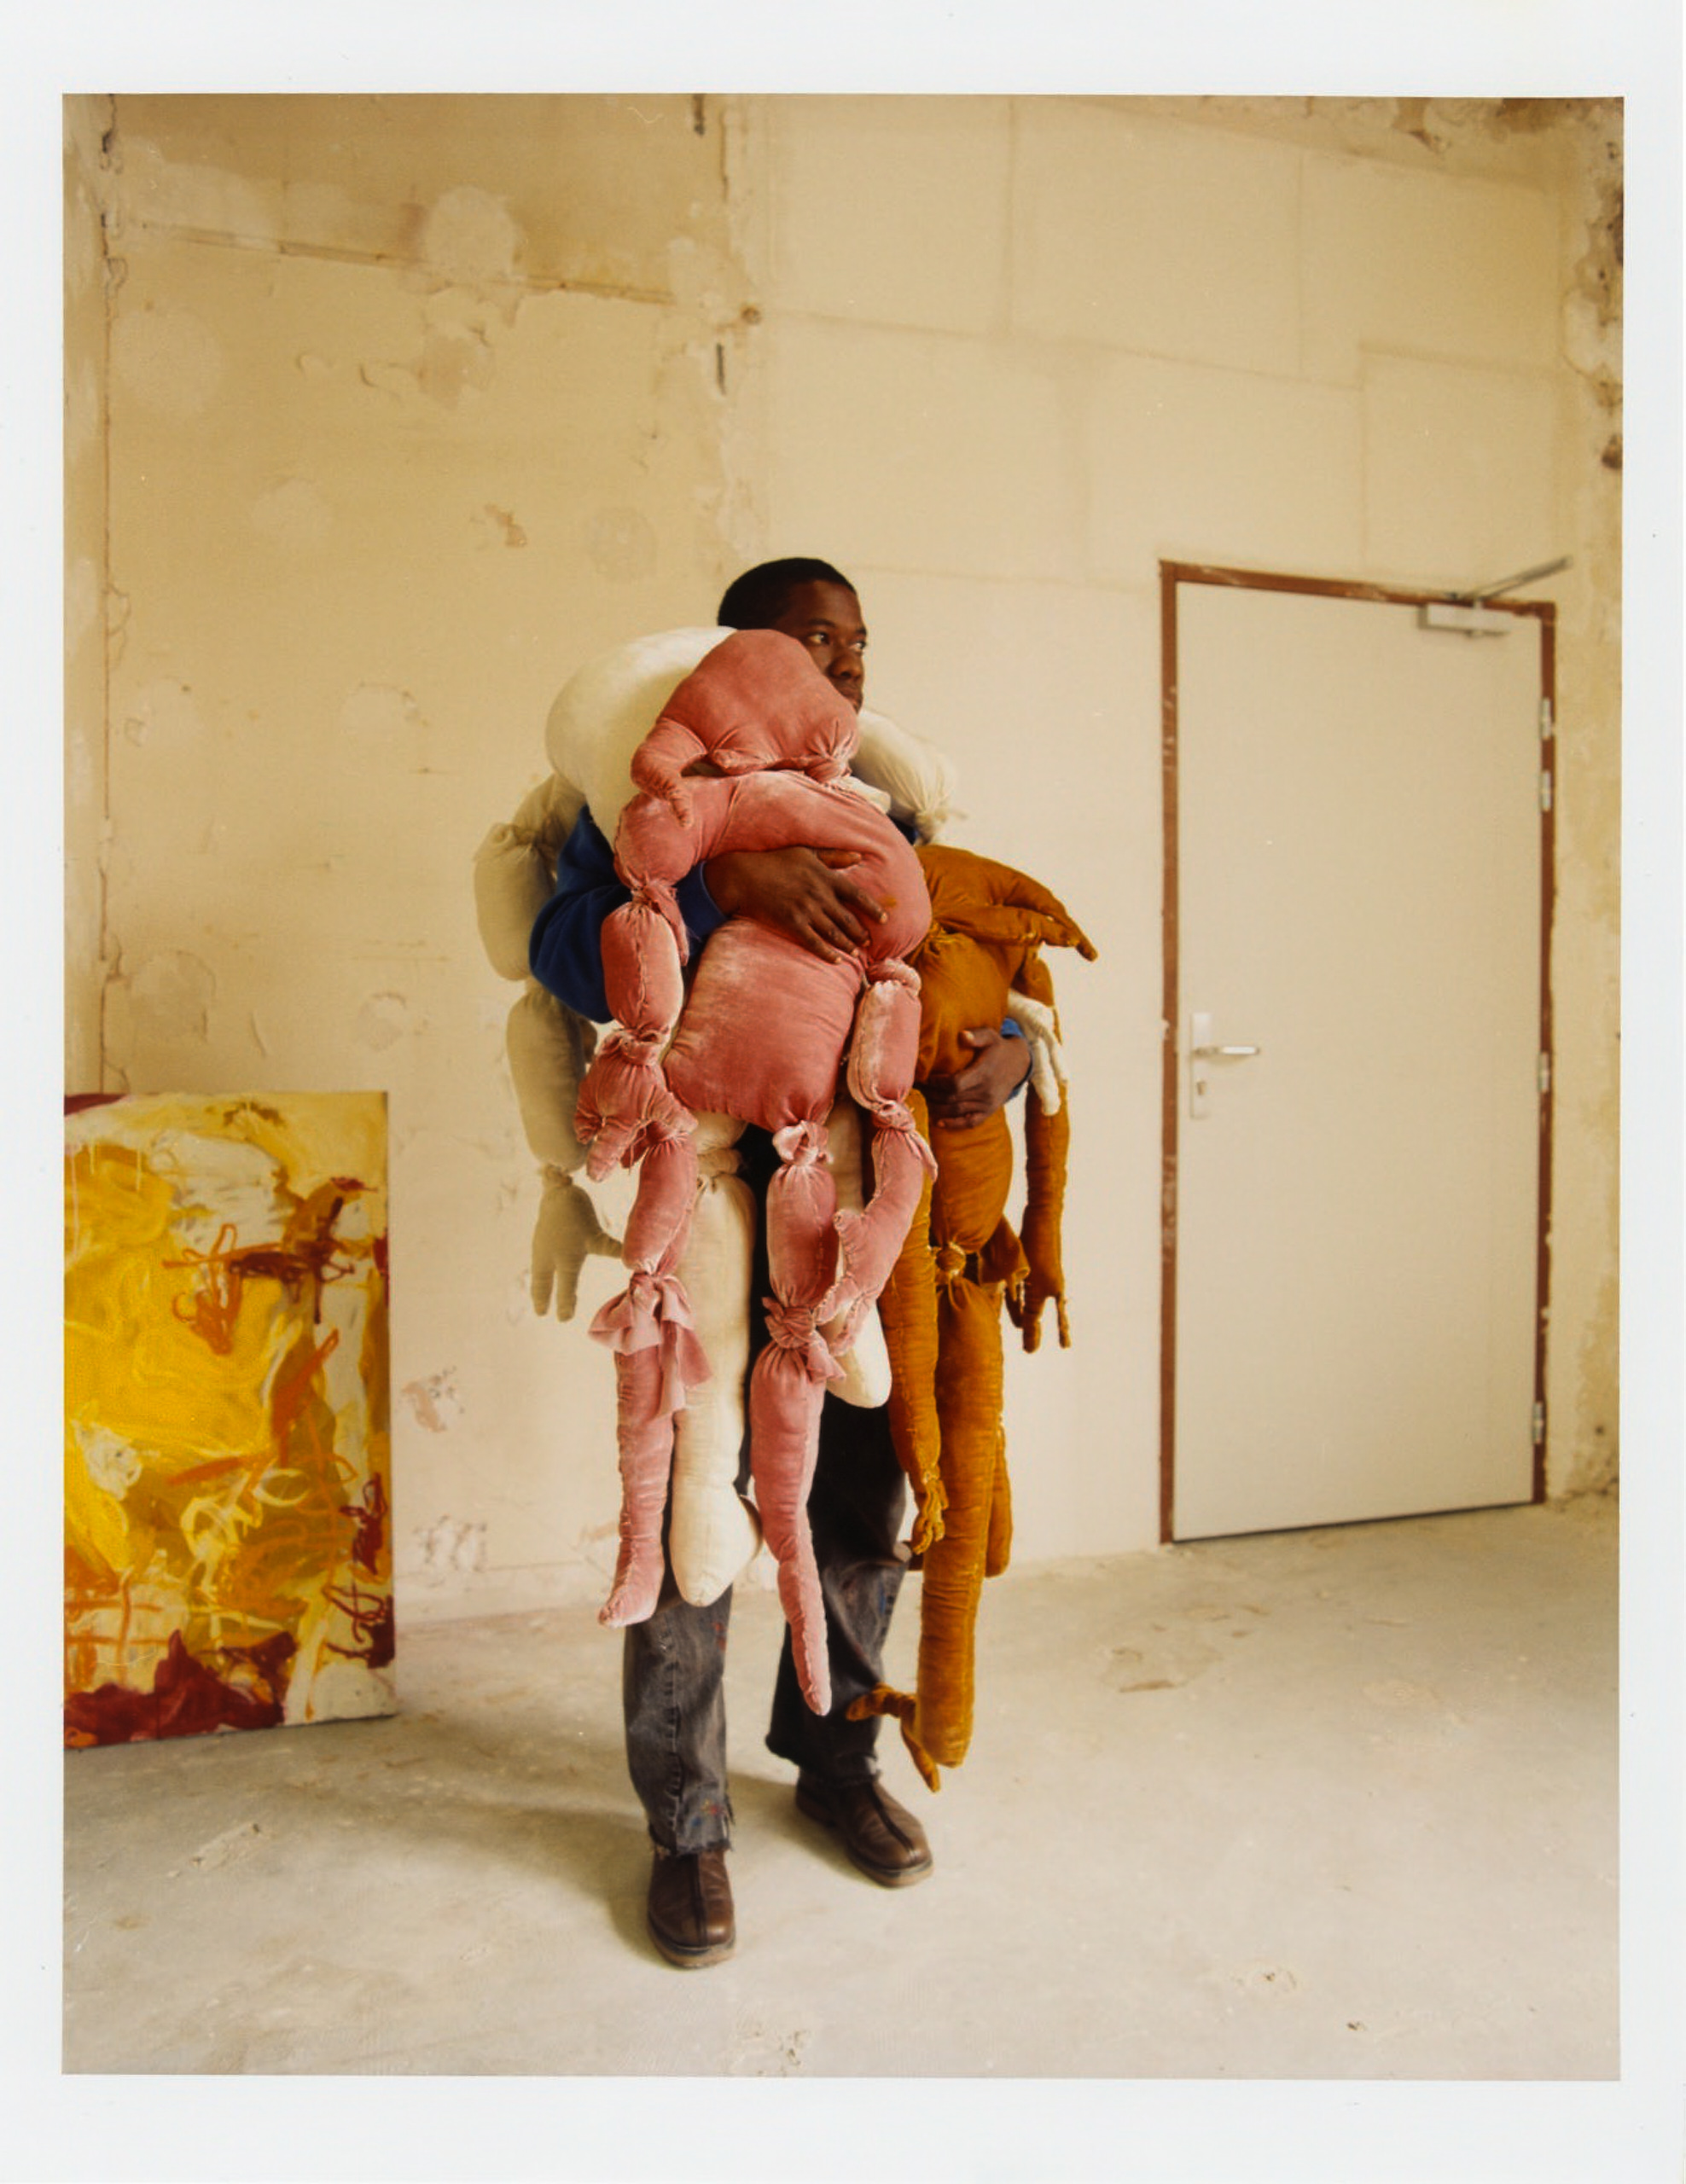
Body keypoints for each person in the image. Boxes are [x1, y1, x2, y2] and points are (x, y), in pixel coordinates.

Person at [529, 558, 1030, 1967]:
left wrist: (999, 1056)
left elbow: (969, 961)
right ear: (744, 649)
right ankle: (686, 1825)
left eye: (860, 642)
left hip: (858, 1219)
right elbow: (561, 949)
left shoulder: (888, 806)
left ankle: (836, 1757)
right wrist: (718, 880)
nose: (849, 664)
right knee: (695, 1506)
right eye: (817, 639)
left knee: (866, 1491)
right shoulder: (639, 787)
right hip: (706, 1205)